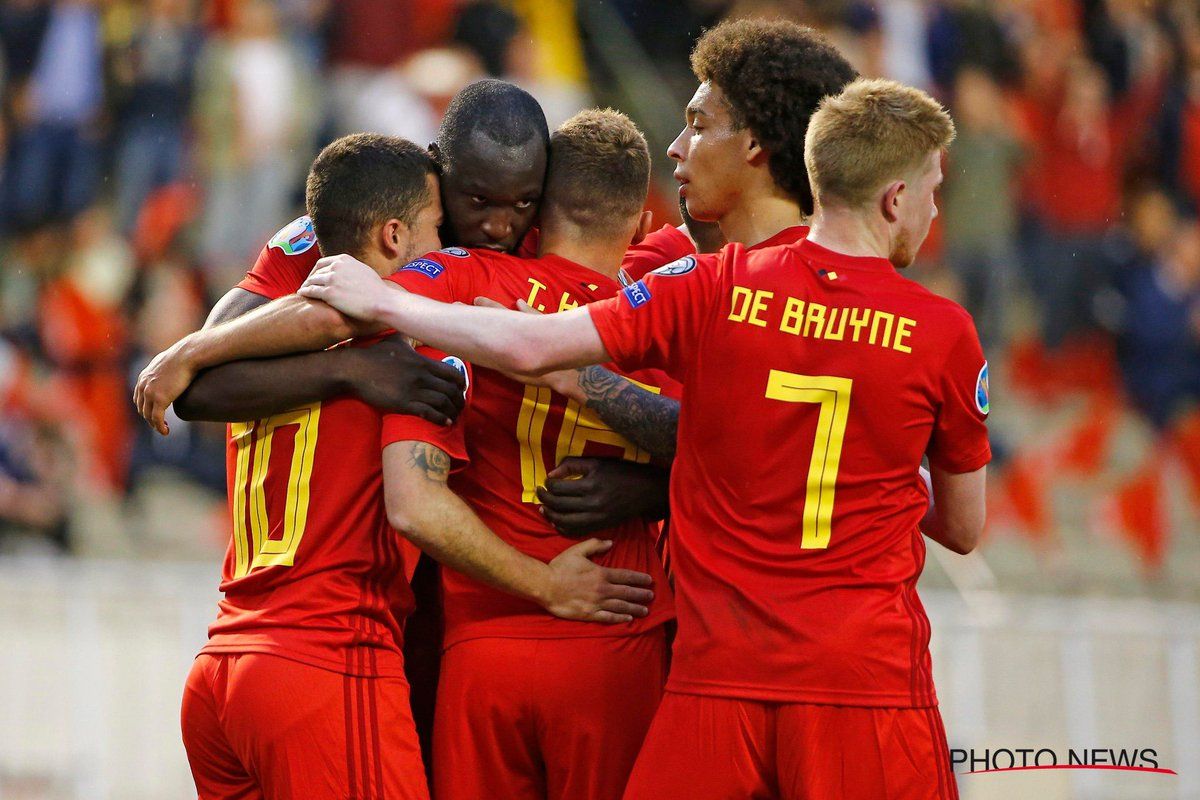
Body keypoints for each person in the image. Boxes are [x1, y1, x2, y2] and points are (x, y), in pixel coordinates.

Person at [299, 78, 989, 800]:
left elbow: (530, 347)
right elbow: (962, 527)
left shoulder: (709, 285)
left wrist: (379, 299)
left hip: (692, 675)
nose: (935, 207)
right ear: (896, 196)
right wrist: (856, 471)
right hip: (840, 671)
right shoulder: (944, 333)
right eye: (934, 190)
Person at [140, 109, 676, 800]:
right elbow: (412, 498)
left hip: (236, 657)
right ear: (432, 188)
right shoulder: (439, 291)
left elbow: (220, 374)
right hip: (336, 658)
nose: (498, 226)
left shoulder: (309, 301)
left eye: (520, 206)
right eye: (476, 202)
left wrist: (646, 487)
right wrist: (348, 371)